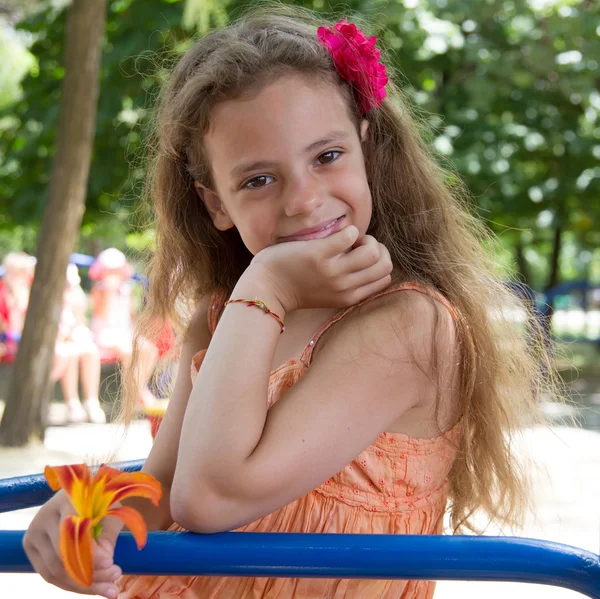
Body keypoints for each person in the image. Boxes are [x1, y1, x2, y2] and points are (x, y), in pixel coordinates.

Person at [23, 6, 561, 599]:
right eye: (258, 180)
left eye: (326, 157)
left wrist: (268, 285)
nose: (303, 201)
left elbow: (209, 498)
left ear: (366, 149)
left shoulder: (408, 325)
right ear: (215, 204)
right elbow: (168, 485)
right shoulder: (223, 316)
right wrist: (92, 514)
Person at [89, 248, 160, 409]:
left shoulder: (126, 290)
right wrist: (109, 291)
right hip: (105, 333)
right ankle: (140, 394)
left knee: (150, 349)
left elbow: (130, 316)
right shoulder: (99, 290)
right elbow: (101, 314)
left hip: (124, 332)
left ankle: (139, 390)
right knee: (129, 351)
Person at [52, 263, 105, 424]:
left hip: (74, 338)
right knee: (70, 353)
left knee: (90, 351)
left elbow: (80, 324)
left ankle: (91, 401)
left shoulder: (75, 297)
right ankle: (72, 402)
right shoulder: (49, 299)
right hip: (58, 343)